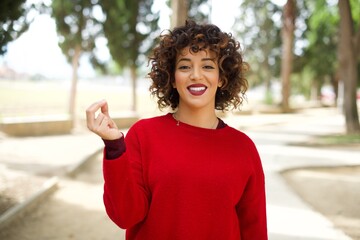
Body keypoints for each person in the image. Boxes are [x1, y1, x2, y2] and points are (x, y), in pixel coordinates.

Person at [86, 20, 267, 240]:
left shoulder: (243, 148)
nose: (196, 75)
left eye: (208, 66)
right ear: (172, 79)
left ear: (222, 79)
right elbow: (125, 216)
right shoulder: (144, 135)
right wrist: (114, 145)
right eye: (185, 66)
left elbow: (254, 230)